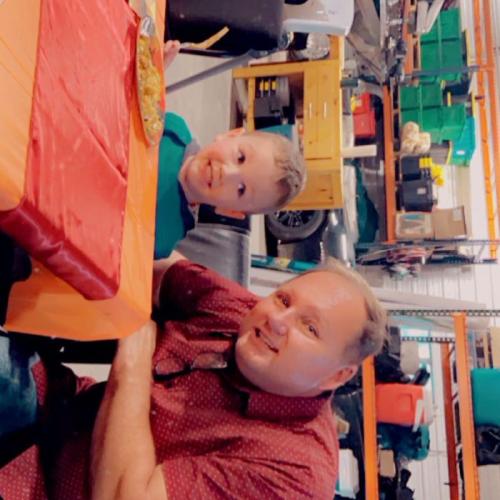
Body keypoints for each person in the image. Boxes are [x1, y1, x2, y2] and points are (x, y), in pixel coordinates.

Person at [0, 252, 386, 499]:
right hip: (54, 407)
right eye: (284, 298)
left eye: (310, 328)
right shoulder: (245, 312)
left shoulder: (294, 475)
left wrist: (134, 358)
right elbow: (145, 268)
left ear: (337, 375)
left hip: (39, 488)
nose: (278, 320)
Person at [155, 42, 306, 258]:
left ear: (231, 211)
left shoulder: (166, 237)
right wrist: (154, 74)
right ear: (230, 135)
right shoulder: (173, 129)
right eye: (240, 157)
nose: (227, 173)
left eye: (241, 189)